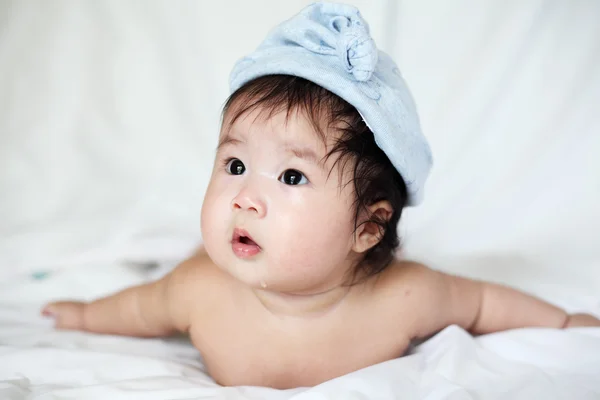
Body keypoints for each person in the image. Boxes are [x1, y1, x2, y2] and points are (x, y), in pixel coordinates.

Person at [41, 2, 600, 389]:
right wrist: (85, 315)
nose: (245, 197)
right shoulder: (197, 291)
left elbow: (481, 304)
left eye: (290, 177)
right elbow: (140, 308)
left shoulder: (404, 297)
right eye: (235, 165)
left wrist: (562, 322)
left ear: (368, 226)